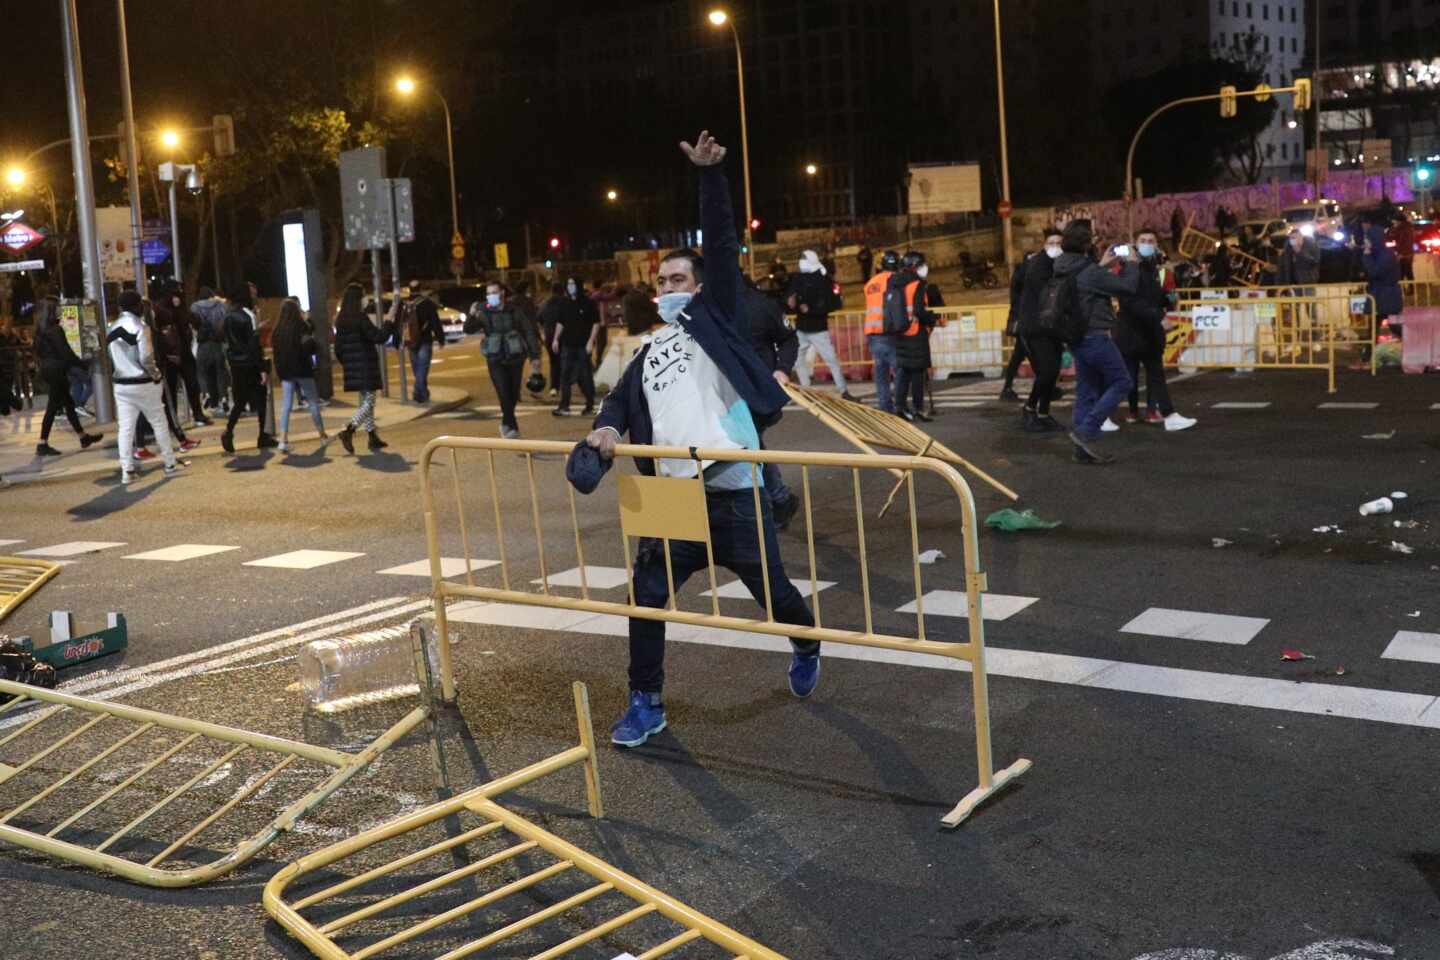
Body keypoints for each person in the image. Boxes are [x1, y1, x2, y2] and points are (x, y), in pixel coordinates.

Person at [581, 131, 820, 748]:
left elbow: (719, 239)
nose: (666, 285)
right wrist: (606, 429)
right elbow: (620, 401)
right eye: (661, 278)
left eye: (678, 275)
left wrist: (711, 179)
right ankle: (646, 703)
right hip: (669, 494)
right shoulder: (650, 346)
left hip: (732, 485)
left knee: (776, 593)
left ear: (701, 282)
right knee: (648, 598)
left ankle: (806, 639)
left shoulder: (719, 317)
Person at [1052, 221, 1137, 465]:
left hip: (1076, 336)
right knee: (1122, 382)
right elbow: (1127, 287)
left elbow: (1084, 286)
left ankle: (1082, 449)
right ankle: (1086, 431)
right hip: (1095, 335)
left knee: (1086, 391)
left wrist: (1101, 266)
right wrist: (1130, 262)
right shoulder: (1089, 271)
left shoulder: (1063, 266)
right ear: (1088, 244)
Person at [1114, 229, 1196, 433]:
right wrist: (1159, 316)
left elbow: (1152, 297)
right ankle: (1102, 414)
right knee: (1127, 379)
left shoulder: (1154, 267)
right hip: (1131, 332)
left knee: (1155, 375)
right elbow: (1130, 301)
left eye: (1151, 240)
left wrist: (1167, 300)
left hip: (1149, 332)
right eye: (1143, 240)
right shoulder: (1128, 267)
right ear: (1135, 242)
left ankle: (1167, 414)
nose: (1147, 244)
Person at [743, 275, 801, 527]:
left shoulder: (760, 305)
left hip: (756, 393)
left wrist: (782, 369)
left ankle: (775, 500)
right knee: (748, 444)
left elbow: (788, 338)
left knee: (747, 444)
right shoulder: (703, 309)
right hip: (725, 394)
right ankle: (778, 500)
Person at [108, 290, 179, 484]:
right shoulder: (141, 326)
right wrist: (156, 375)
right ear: (136, 305)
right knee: (159, 422)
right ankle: (170, 463)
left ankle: (127, 471)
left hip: (121, 384)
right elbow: (146, 357)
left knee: (125, 428)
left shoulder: (112, 327)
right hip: (143, 383)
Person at [464, 282, 541, 439]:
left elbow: (529, 331)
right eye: (488, 293)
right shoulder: (483, 311)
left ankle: (506, 423)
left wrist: (535, 356)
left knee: (513, 395)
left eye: (494, 292)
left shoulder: (514, 311)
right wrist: (471, 314)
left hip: (515, 358)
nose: (490, 296)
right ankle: (512, 428)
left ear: (502, 294)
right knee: (503, 393)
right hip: (495, 359)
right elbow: (468, 329)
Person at [33, 296, 101, 456]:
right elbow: (66, 353)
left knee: (68, 403)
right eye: (56, 307)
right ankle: (42, 443)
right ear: (50, 311)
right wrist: (83, 364)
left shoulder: (40, 331)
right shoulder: (55, 330)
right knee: (53, 406)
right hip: (57, 370)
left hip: (48, 369)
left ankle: (83, 436)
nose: (59, 310)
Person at [332, 282, 394, 453]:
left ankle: (372, 436)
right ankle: (348, 430)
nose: (366, 299)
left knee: (368, 402)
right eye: (364, 295)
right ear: (358, 299)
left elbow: (338, 348)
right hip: (366, 364)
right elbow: (379, 337)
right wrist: (389, 322)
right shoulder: (360, 318)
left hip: (353, 367)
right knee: (370, 402)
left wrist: (349, 364)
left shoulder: (341, 320)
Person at [1016, 227, 1066, 433]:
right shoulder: (1038, 265)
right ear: (1045, 245)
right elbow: (1049, 295)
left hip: (1052, 328)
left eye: (1059, 243)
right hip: (1036, 327)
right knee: (1046, 371)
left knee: (1052, 372)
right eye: (1051, 243)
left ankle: (1044, 413)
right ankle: (1029, 408)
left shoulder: (1057, 264)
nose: (1055, 247)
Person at [785, 250, 853, 401]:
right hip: (802, 327)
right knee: (798, 359)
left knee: (831, 360)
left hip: (817, 329)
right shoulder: (799, 278)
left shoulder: (822, 280)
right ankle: (806, 389)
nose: (801, 261)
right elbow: (790, 298)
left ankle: (843, 390)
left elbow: (833, 303)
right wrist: (793, 303)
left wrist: (811, 309)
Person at [219, 282, 275, 454]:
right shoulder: (247, 315)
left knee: (240, 401)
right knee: (260, 398)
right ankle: (262, 436)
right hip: (250, 363)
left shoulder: (228, 315)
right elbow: (252, 344)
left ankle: (229, 430)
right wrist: (262, 368)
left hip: (236, 364)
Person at [271, 297, 329, 452]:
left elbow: (276, 355)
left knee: (286, 405)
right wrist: (307, 319)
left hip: (286, 372)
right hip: (303, 370)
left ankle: (283, 439)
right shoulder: (301, 326)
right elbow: (311, 342)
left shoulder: (277, 330)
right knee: (313, 402)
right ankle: (322, 435)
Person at [888, 251, 939, 423]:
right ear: (915, 266)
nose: (925, 268)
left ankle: (900, 407)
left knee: (903, 371)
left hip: (900, 331)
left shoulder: (895, 282)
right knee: (918, 372)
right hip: (915, 332)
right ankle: (918, 409)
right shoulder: (916, 284)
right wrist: (934, 318)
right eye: (922, 265)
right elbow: (918, 311)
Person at [154, 281, 209, 426]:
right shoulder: (160, 309)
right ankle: (172, 420)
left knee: (192, 384)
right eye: (174, 294)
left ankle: (198, 414)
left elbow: (194, 321)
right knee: (170, 390)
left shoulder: (181, 309)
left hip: (184, 352)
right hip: (170, 356)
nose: (177, 297)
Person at [551, 276, 600, 416]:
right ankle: (564, 406)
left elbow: (596, 323)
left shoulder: (588, 303)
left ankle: (589, 404)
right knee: (565, 375)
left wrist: (591, 341)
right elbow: (560, 322)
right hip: (567, 345)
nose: (570, 286)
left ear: (578, 285)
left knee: (585, 375)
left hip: (583, 345)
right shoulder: (564, 303)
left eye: (573, 283)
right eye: (568, 284)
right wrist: (556, 339)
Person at [863, 250, 901, 412]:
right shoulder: (896, 281)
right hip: (888, 331)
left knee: (881, 372)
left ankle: (885, 407)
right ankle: (900, 405)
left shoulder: (870, 283)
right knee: (900, 370)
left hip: (872, 331)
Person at [401, 282, 445, 404]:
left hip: (410, 340)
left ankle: (422, 395)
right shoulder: (427, 303)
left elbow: (400, 324)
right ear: (420, 289)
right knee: (423, 368)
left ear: (409, 289)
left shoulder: (404, 304)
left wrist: (399, 340)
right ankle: (418, 392)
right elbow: (435, 322)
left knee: (417, 369)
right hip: (425, 340)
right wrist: (440, 338)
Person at [191, 286, 230, 413]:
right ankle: (223, 397)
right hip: (217, 343)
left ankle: (206, 393)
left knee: (201, 372)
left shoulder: (195, 307)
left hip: (203, 343)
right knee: (220, 372)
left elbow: (193, 325)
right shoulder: (220, 305)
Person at [1362, 223, 1404, 339]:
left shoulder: (1386, 255)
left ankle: (1414, 347)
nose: (1366, 241)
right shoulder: (1377, 253)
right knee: (1375, 326)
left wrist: (1367, 256)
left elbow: (1375, 272)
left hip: (1387, 296)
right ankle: (1369, 353)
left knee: (1394, 326)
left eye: (1368, 239)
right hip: (1380, 295)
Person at [537, 283, 564, 399]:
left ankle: (554, 388)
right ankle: (566, 385)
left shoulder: (544, 304)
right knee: (567, 361)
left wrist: (546, 326)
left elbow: (538, 318)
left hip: (549, 336)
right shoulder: (565, 303)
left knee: (554, 362)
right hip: (564, 336)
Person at [1392, 216, 1416, 283]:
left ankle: (1404, 289)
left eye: (1395, 221)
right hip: (1408, 253)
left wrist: (1401, 254)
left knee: (1402, 272)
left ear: (1399, 221)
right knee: (1408, 272)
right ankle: (1411, 289)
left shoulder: (1402, 229)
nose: (1394, 223)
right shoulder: (1409, 228)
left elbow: (1403, 242)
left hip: (1404, 254)